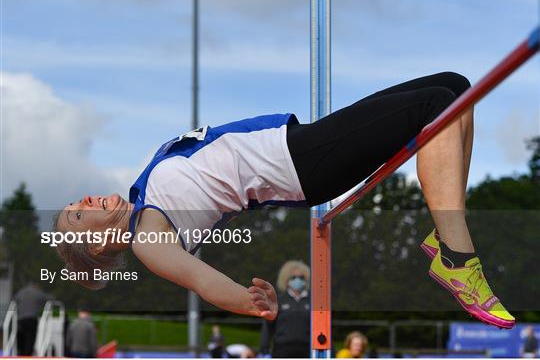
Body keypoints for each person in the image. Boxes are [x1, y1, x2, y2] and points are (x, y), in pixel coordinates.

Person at [54, 72, 514, 329]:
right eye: (78, 213)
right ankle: (456, 256)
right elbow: (201, 280)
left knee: (455, 88)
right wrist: (252, 302)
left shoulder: (141, 193)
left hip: (300, 142)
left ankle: (447, 240)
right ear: (97, 246)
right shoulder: (148, 238)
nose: (85, 199)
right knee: (434, 105)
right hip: (302, 166)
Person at [260, 260, 310, 358]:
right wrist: (264, 348)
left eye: (301, 277)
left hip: (307, 349)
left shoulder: (313, 301)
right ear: (286, 278)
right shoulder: (278, 300)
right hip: (282, 350)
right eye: (294, 277)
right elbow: (267, 326)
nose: (298, 280)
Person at [13, 282, 52, 356]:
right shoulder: (37, 292)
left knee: (21, 339)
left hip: (20, 319)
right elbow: (48, 298)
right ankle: (27, 355)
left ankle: (21, 354)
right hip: (31, 319)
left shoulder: (21, 292)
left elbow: (14, 299)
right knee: (30, 339)